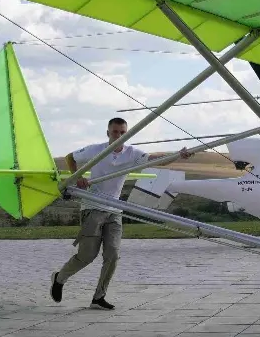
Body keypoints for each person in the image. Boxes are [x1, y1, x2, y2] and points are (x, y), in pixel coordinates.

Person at [51, 117, 188, 310]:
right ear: (108, 133)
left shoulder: (132, 153)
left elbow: (156, 160)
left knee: (113, 255)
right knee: (87, 256)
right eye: (115, 132)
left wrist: (178, 155)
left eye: (123, 132)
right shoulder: (96, 150)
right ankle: (60, 278)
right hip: (93, 207)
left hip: (114, 210)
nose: (119, 136)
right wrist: (78, 176)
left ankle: (99, 297)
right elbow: (69, 158)